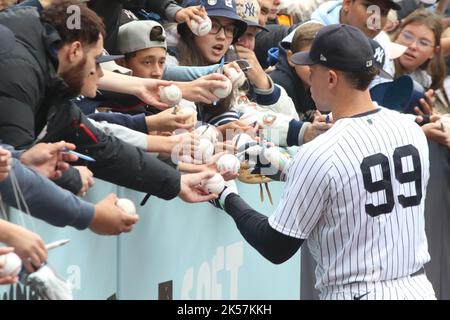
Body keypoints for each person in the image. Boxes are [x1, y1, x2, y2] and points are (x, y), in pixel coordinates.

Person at [215, 24, 436, 300]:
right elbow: (342, 178)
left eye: (313, 71)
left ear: (332, 78)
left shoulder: (321, 152)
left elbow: (275, 246)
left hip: (356, 292)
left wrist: (226, 197)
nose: (310, 79)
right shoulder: (410, 130)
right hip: (419, 289)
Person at [0, 1, 217, 204]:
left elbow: (102, 147)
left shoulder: (55, 81)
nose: (101, 73)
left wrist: (176, 183)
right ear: (74, 52)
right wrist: (71, 179)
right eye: (97, 60)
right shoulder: (19, 72)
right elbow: (14, 168)